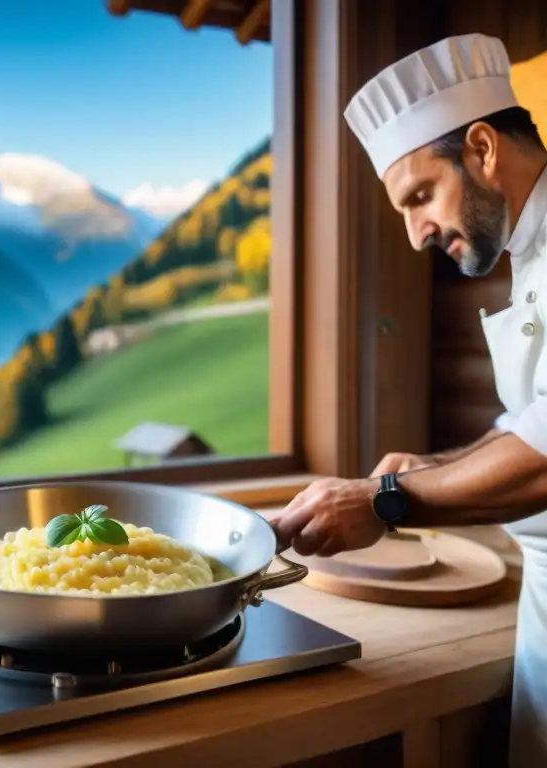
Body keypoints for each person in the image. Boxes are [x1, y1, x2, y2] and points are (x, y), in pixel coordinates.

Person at [268, 33, 547, 767]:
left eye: (421, 196)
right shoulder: (531, 256)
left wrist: (388, 499)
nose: (417, 232)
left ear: (482, 149)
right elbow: (530, 424)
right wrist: (428, 468)